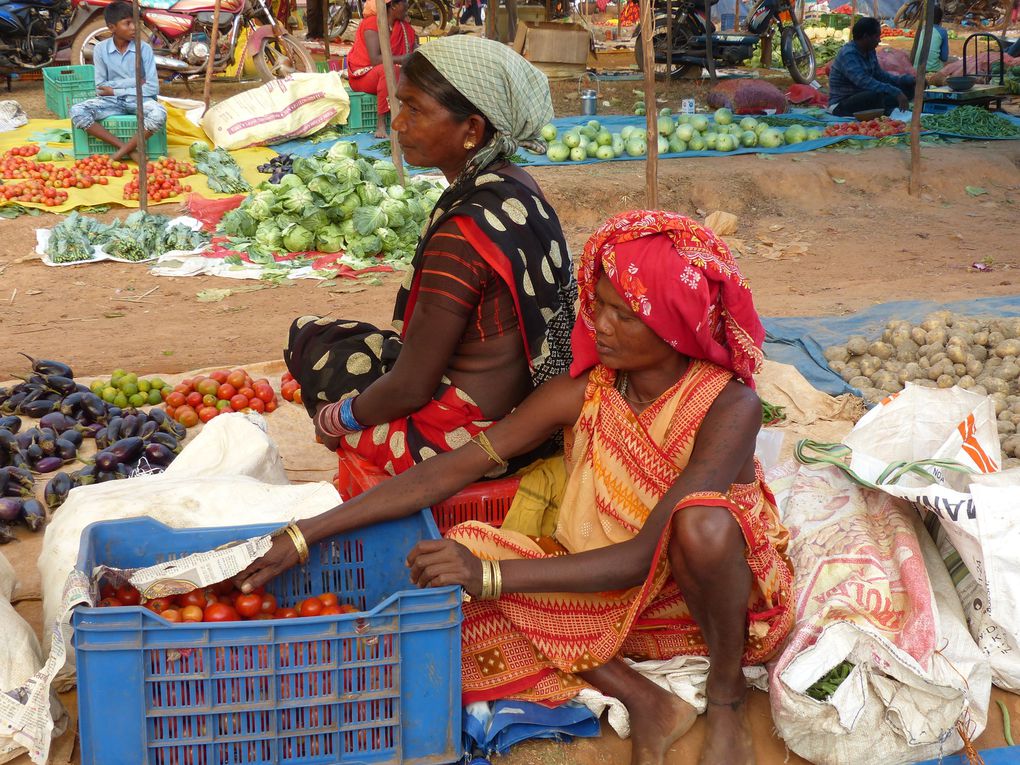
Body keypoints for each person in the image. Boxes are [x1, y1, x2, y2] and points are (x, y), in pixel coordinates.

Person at [241, 210, 794, 765]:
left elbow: (641, 557)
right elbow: (450, 470)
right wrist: (305, 533)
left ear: (674, 322)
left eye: (622, 315)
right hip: (610, 596)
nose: (598, 323)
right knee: (463, 550)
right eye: (597, 305)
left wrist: (489, 578)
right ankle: (643, 696)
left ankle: (723, 700)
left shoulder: (729, 405)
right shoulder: (586, 392)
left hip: (704, 603)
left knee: (702, 521)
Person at [288, 36, 576, 481]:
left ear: (473, 130)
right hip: (525, 418)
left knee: (310, 340)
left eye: (414, 109)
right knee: (354, 341)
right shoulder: (520, 186)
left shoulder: (463, 235)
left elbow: (409, 388)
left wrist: (335, 420)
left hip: (459, 440)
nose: (398, 123)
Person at [68, 1, 167, 163]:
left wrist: (115, 89)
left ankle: (119, 154)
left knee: (159, 113)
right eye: (127, 23)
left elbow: (152, 87)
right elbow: (100, 87)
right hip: (110, 102)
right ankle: (129, 150)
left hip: (140, 101)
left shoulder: (144, 49)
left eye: (136, 22)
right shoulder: (100, 49)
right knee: (76, 111)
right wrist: (135, 82)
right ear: (112, 27)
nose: (134, 27)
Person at [347, 0, 417, 138]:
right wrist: (404, 59)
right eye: (404, 2)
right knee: (389, 70)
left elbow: (413, 47)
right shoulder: (372, 23)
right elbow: (375, 60)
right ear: (393, 6)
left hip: (392, 71)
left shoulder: (403, 27)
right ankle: (381, 124)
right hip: (364, 75)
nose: (408, 6)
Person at [827, 16, 916, 117]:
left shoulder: (869, 50)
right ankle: (884, 109)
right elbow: (864, 82)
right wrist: (894, 91)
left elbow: (880, 75)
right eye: (876, 36)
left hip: (864, 96)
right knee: (875, 95)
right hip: (842, 103)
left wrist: (903, 80)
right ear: (866, 37)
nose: (879, 40)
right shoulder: (848, 54)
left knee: (907, 87)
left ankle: (885, 108)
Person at [912, 5, 949, 74]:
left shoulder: (921, 29)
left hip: (916, 68)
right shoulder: (942, 32)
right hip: (933, 69)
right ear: (941, 19)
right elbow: (944, 57)